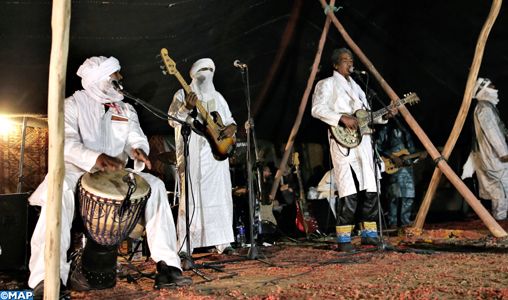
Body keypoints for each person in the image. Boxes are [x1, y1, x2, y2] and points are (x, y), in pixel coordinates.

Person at [28, 56, 192, 299]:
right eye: (116, 75)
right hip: (77, 173)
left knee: (155, 185)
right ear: (100, 79)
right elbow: (64, 144)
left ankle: (167, 266)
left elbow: (134, 137)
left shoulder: (126, 108)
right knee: (58, 187)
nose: (121, 79)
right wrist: (96, 158)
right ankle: (47, 277)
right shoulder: (71, 105)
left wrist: (138, 150)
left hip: (116, 176)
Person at [311, 48, 398, 252]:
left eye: (351, 60)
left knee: (371, 186)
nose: (349, 63)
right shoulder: (327, 84)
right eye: (344, 60)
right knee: (348, 188)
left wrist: (385, 115)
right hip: (343, 143)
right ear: (335, 65)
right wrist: (341, 118)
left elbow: (364, 117)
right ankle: (344, 239)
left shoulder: (358, 87)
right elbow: (317, 109)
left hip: (364, 142)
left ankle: (369, 235)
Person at [168, 58, 237, 257]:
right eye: (202, 70)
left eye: (210, 70)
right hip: (193, 154)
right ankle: (185, 246)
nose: (207, 73)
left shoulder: (218, 97)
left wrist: (232, 128)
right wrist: (186, 109)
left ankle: (224, 243)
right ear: (193, 73)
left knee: (220, 197)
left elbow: (230, 121)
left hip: (217, 156)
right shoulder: (182, 94)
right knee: (191, 198)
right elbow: (172, 121)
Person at [462, 77, 508, 221]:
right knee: (500, 190)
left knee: (501, 189)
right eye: (491, 87)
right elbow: (492, 131)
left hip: (491, 156)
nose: (495, 90)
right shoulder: (484, 107)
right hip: (493, 157)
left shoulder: (486, 107)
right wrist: (504, 153)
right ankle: (500, 222)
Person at [376, 121, 426, 228]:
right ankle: (392, 221)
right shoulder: (385, 130)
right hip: (393, 168)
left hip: (406, 169)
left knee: (408, 195)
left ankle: (405, 221)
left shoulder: (406, 133)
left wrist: (418, 157)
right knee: (394, 196)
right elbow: (377, 146)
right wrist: (392, 156)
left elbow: (411, 152)